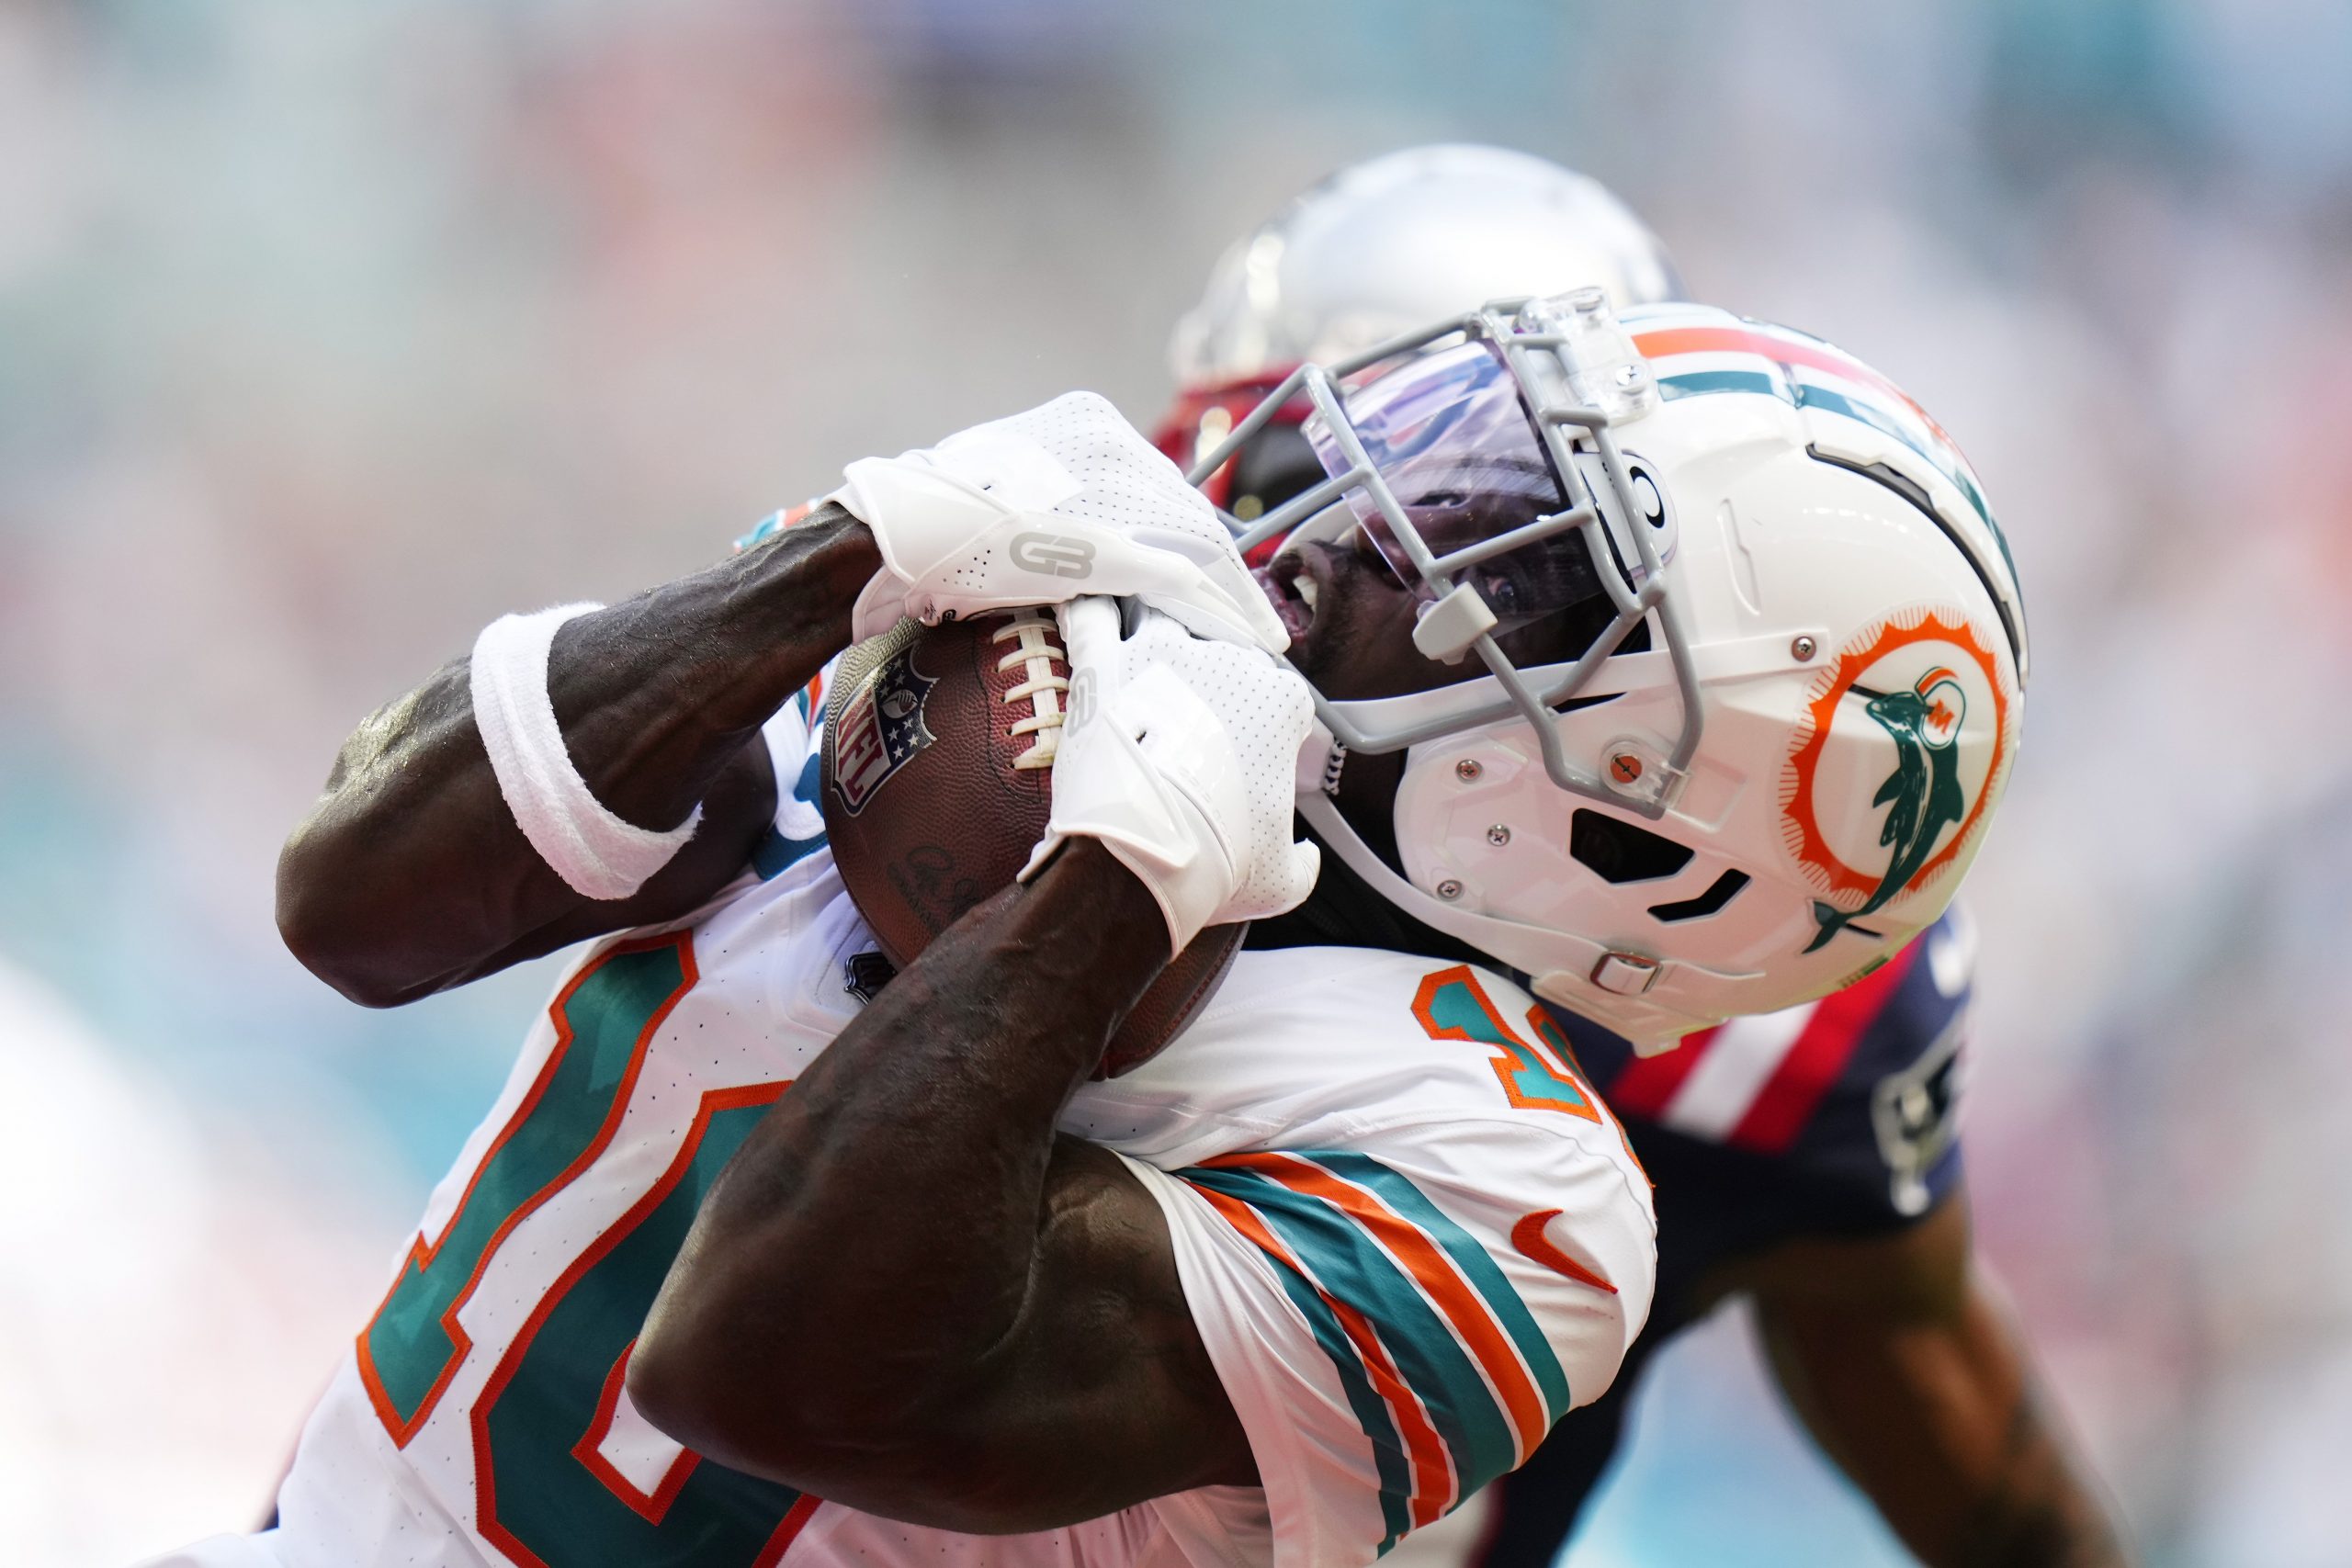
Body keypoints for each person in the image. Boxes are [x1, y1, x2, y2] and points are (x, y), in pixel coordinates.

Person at [147, 270, 2018, 1566]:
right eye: (1466, 446)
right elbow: (356, 903)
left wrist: (1113, 881)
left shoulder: (1511, 1194)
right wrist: (835, 556)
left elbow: (765, 1362)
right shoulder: (1072, 665)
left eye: (1526, 557)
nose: (1374, 508)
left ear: (1639, 839)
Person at [1158, 144, 2125, 1568]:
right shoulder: (1060, 756)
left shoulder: (1759, 983)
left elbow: (1916, 1371)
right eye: (1332, 479)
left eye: (1450, 505)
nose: (1300, 567)